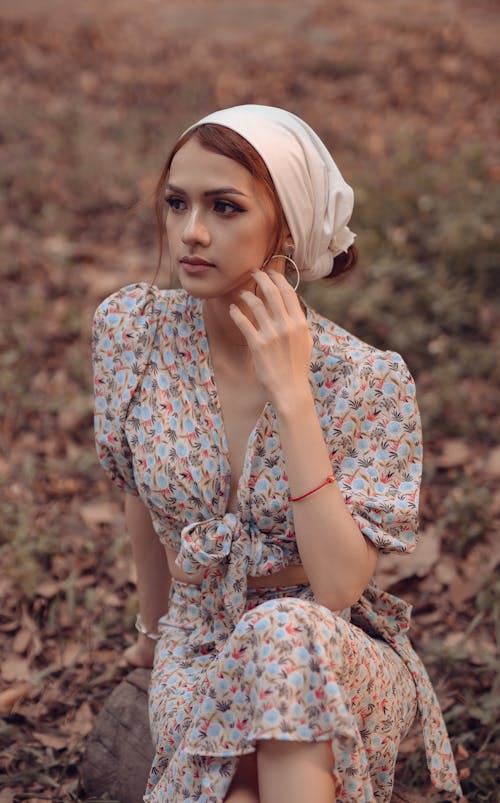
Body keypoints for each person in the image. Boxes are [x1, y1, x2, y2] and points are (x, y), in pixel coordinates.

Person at [92, 105, 461, 803]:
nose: (191, 232)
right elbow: (140, 500)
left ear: (285, 227)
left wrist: (292, 395)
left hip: (328, 651)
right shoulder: (132, 332)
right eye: (178, 203)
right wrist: (151, 637)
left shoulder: (364, 378)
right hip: (200, 646)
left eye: (225, 207)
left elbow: (337, 588)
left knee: (283, 628)